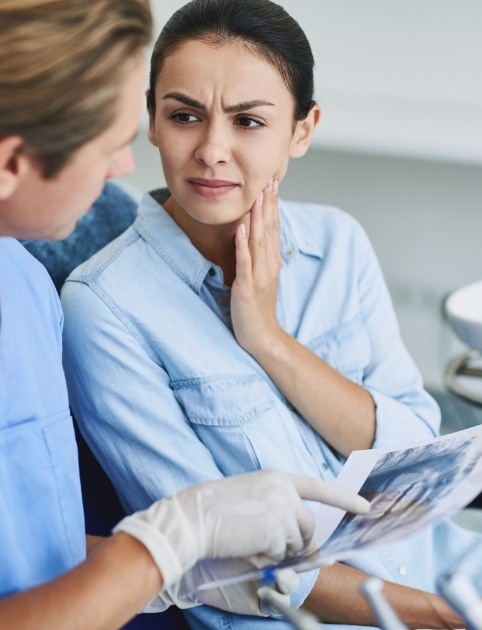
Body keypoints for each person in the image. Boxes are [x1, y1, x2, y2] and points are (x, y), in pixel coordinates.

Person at [61, 0, 482, 628]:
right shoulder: (103, 306)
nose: (211, 150)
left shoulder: (338, 244)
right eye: (184, 116)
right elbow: (215, 559)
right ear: (150, 118)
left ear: (302, 130)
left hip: (453, 569)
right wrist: (439, 617)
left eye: (249, 122)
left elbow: (418, 455)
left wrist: (270, 341)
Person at [0, 1, 371, 628]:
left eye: (249, 120)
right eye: (114, 142)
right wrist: (168, 542)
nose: (125, 170)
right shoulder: (96, 301)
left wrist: (176, 562)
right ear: (10, 164)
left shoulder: (25, 284)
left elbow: (46, 549)